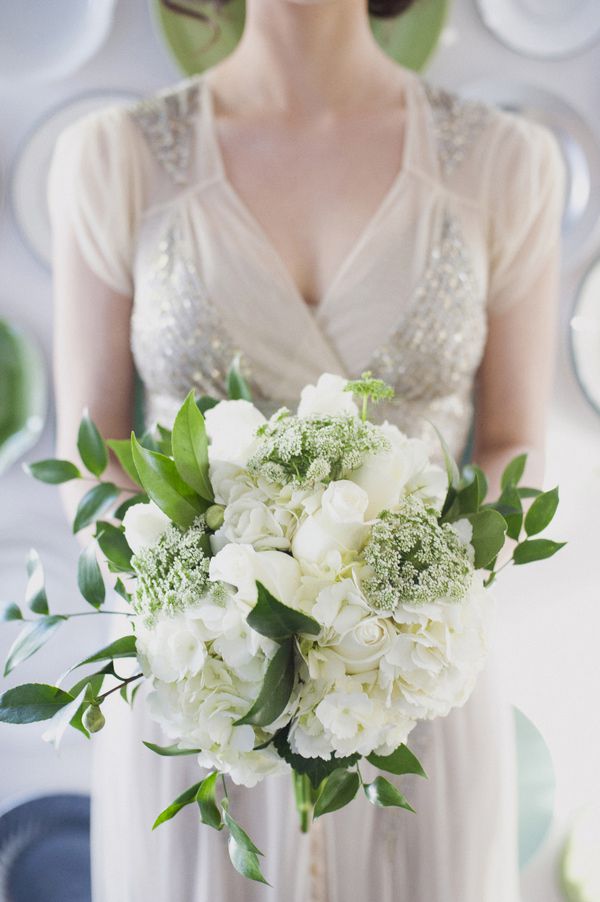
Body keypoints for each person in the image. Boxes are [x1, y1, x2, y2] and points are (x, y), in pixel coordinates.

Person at [48, 0, 565, 898]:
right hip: (203, 713)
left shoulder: (505, 164)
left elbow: (515, 446)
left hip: (413, 699)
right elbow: (91, 460)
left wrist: (397, 612)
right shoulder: (113, 159)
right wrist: (216, 619)